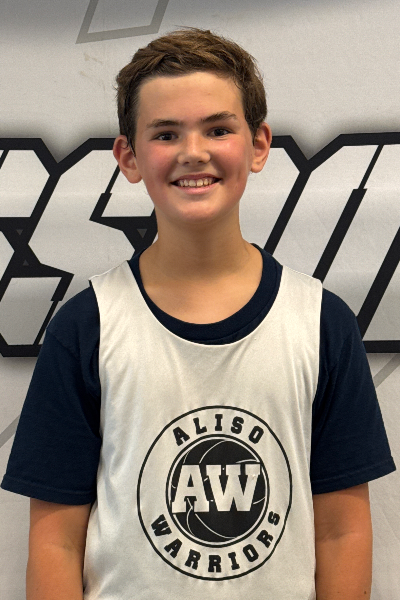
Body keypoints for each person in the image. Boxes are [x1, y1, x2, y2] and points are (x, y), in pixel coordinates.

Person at [1, 26, 396, 600]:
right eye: (166, 133)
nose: (194, 151)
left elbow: (342, 532)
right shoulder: (87, 326)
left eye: (218, 129)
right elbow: (56, 543)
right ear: (129, 157)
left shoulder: (320, 322)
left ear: (258, 145)